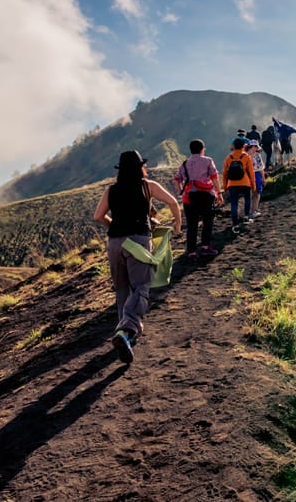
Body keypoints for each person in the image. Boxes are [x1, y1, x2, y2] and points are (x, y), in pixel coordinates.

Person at [94, 150, 181, 363]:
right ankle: (126, 331)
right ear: (140, 167)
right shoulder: (147, 186)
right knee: (141, 285)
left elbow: (98, 216)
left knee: (122, 288)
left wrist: (114, 225)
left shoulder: (111, 190)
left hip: (115, 243)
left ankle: (127, 334)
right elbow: (172, 202)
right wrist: (177, 225)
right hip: (138, 241)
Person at [173, 139, 223, 259]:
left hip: (189, 198)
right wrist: (219, 193)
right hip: (205, 196)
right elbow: (214, 178)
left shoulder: (185, 163)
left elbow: (176, 179)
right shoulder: (208, 161)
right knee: (207, 222)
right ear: (202, 149)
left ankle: (191, 252)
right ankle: (205, 247)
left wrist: (181, 191)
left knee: (191, 225)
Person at [222, 137, 256, 234]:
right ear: (243, 146)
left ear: (233, 146)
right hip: (245, 183)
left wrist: (225, 186)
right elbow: (251, 172)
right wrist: (253, 185)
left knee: (234, 203)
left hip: (232, 184)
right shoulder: (246, 157)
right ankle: (246, 217)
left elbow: (225, 173)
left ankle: (235, 224)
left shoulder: (229, 158)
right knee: (247, 199)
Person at [248, 139, 265, 218]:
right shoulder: (247, 155)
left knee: (256, 193)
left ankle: (253, 210)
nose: (254, 148)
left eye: (255, 146)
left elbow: (261, 168)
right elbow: (260, 167)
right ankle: (252, 211)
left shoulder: (246, 155)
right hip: (253, 174)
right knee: (254, 193)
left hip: (255, 174)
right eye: (253, 146)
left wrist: (263, 178)